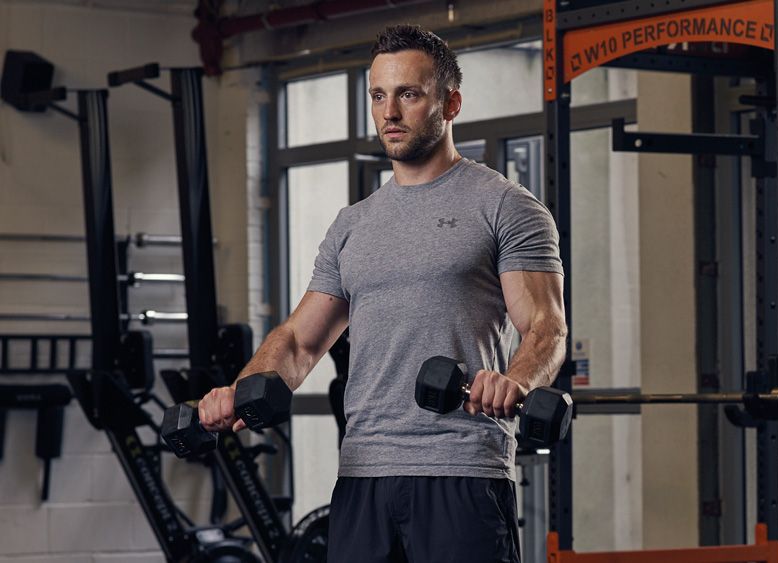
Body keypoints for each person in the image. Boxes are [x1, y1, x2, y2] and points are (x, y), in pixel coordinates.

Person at [197, 23, 567, 563]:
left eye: (409, 94)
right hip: (363, 475)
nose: (389, 112)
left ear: (451, 102)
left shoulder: (504, 206)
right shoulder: (353, 224)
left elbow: (546, 326)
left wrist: (513, 381)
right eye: (378, 95)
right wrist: (240, 389)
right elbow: (300, 342)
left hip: (458, 468)